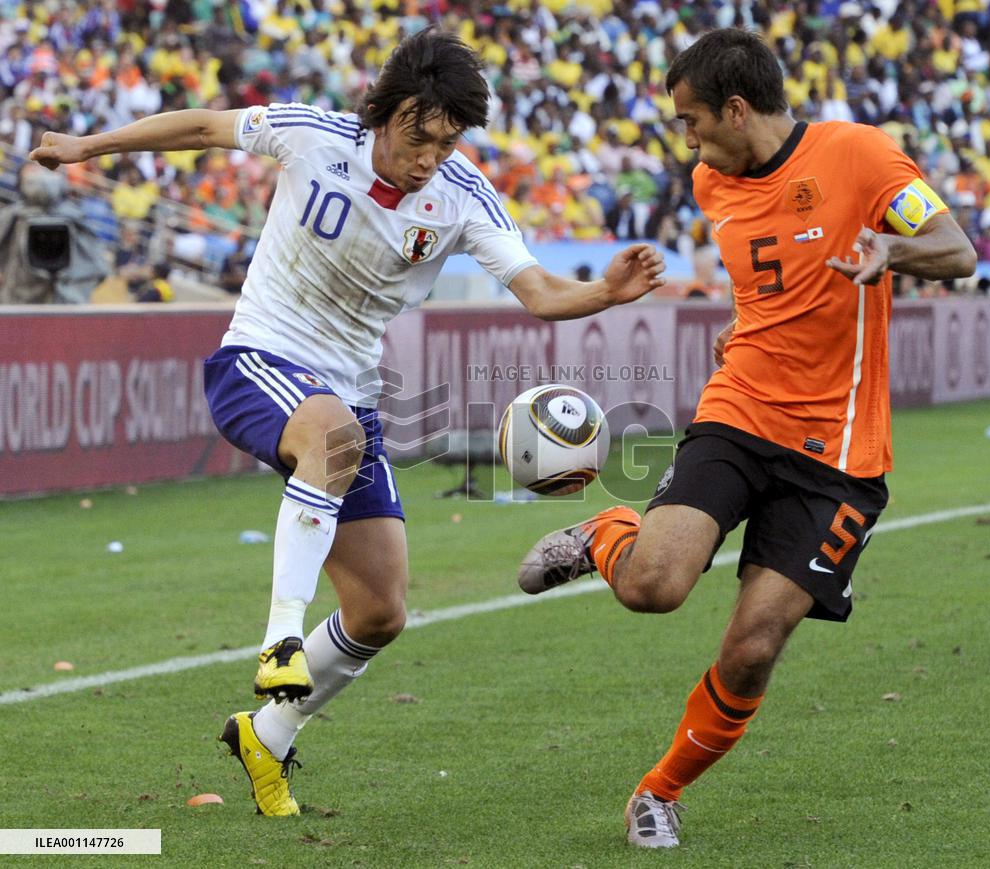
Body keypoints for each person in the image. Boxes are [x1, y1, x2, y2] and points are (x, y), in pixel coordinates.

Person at [30, 27, 664, 817]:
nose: (429, 154)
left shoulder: (462, 196)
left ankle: (268, 732)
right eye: (418, 134)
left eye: (446, 140)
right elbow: (199, 127)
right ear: (386, 111)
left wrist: (604, 292)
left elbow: (537, 292)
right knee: (334, 434)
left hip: (348, 397)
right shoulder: (313, 135)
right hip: (257, 359)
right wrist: (87, 146)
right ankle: (280, 640)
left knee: (380, 609)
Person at [516, 28, 976, 850]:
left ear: (736, 108)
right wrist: (744, 323)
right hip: (740, 411)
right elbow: (770, 276)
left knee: (754, 647)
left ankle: (659, 790)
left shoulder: (862, 157)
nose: (686, 141)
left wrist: (891, 251)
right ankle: (608, 533)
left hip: (838, 455)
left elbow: (958, 248)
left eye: (692, 120)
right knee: (654, 585)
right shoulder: (711, 180)